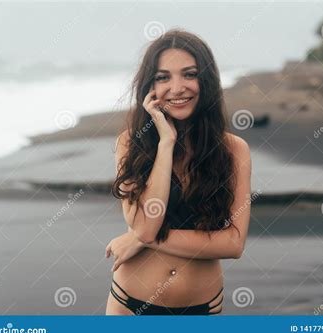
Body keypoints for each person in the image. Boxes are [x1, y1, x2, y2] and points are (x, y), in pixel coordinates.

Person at [105, 29, 251, 315]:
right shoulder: (129, 143)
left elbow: (233, 243)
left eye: (189, 74)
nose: (177, 87)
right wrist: (166, 143)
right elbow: (146, 225)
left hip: (202, 308)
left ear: (205, 80)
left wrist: (138, 239)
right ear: (150, 87)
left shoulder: (234, 150)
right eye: (163, 77)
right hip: (129, 305)